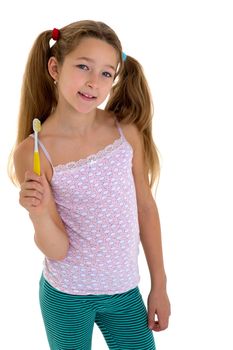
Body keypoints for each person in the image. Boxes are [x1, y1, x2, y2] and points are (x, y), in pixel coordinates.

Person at [9, 20, 171, 350]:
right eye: (83, 66)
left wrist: (160, 285)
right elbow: (58, 249)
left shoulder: (125, 132)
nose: (93, 82)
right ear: (55, 67)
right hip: (66, 297)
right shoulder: (35, 151)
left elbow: (145, 209)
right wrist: (38, 214)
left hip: (124, 292)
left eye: (106, 73)